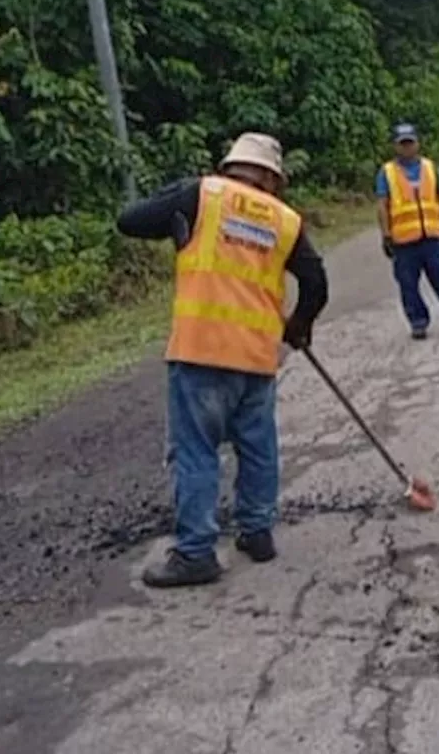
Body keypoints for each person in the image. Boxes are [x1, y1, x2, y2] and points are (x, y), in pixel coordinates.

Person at [116, 132, 329, 588]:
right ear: (272, 178)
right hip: (255, 357)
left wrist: (175, 212)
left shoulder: (200, 194)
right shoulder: (285, 219)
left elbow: (129, 220)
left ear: (231, 165)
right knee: (258, 447)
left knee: (196, 451)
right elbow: (315, 282)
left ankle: (195, 552)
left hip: (200, 351)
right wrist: (298, 325)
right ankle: (256, 531)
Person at [376, 123, 439, 340]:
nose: (407, 148)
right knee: (408, 286)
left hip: (432, 238)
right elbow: (382, 206)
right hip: (403, 242)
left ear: (417, 143)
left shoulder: (430, 168)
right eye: (402, 144)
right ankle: (418, 323)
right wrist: (386, 235)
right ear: (395, 146)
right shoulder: (387, 173)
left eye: (410, 142)